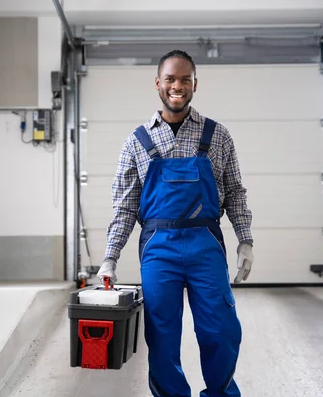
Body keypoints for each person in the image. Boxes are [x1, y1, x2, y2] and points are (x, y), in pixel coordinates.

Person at [97, 50, 254, 397]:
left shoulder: (219, 136)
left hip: (205, 245)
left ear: (195, 84)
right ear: (158, 83)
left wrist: (246, 240)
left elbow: (235, 193)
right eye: (170, 79)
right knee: (162, 335)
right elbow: (124, 208)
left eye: (185, 79)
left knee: (221, 329)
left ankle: (221, 393)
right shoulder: (136, 143)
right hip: (159, 248)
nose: (177, 86)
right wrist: (109, 257)